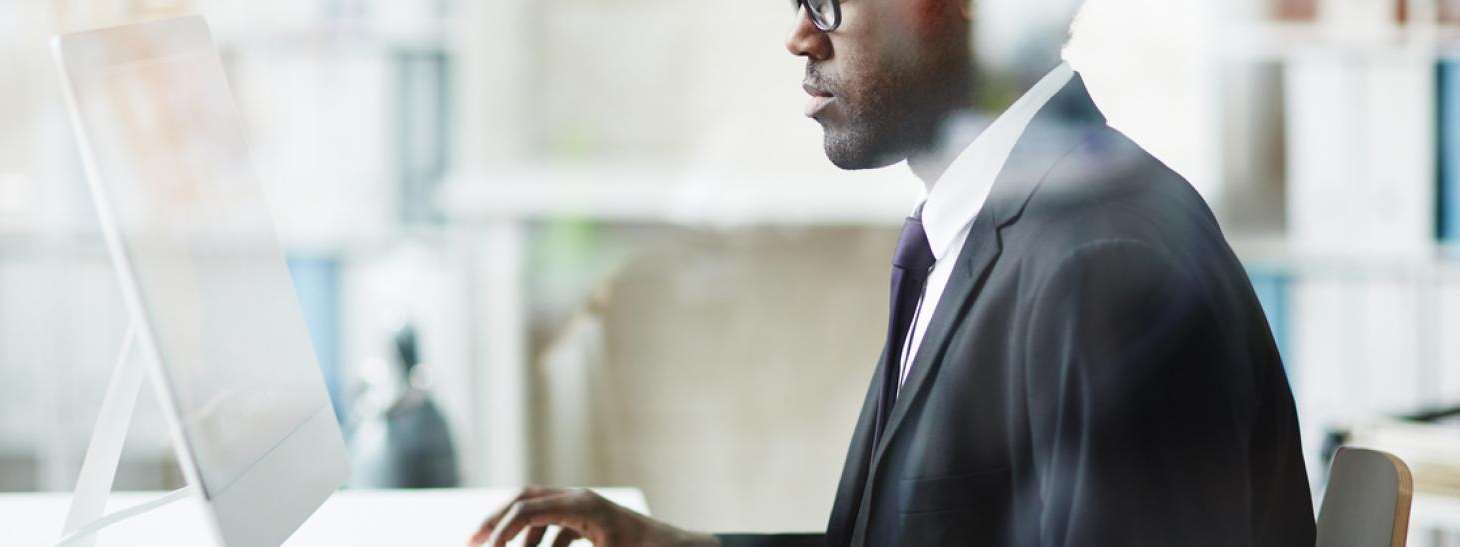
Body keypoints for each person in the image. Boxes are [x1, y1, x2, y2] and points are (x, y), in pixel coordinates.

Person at [468, 0, 1316, 545]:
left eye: (828, 2)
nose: (800, 35)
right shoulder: (983, 229)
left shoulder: (1101, 272)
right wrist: (677, 546)